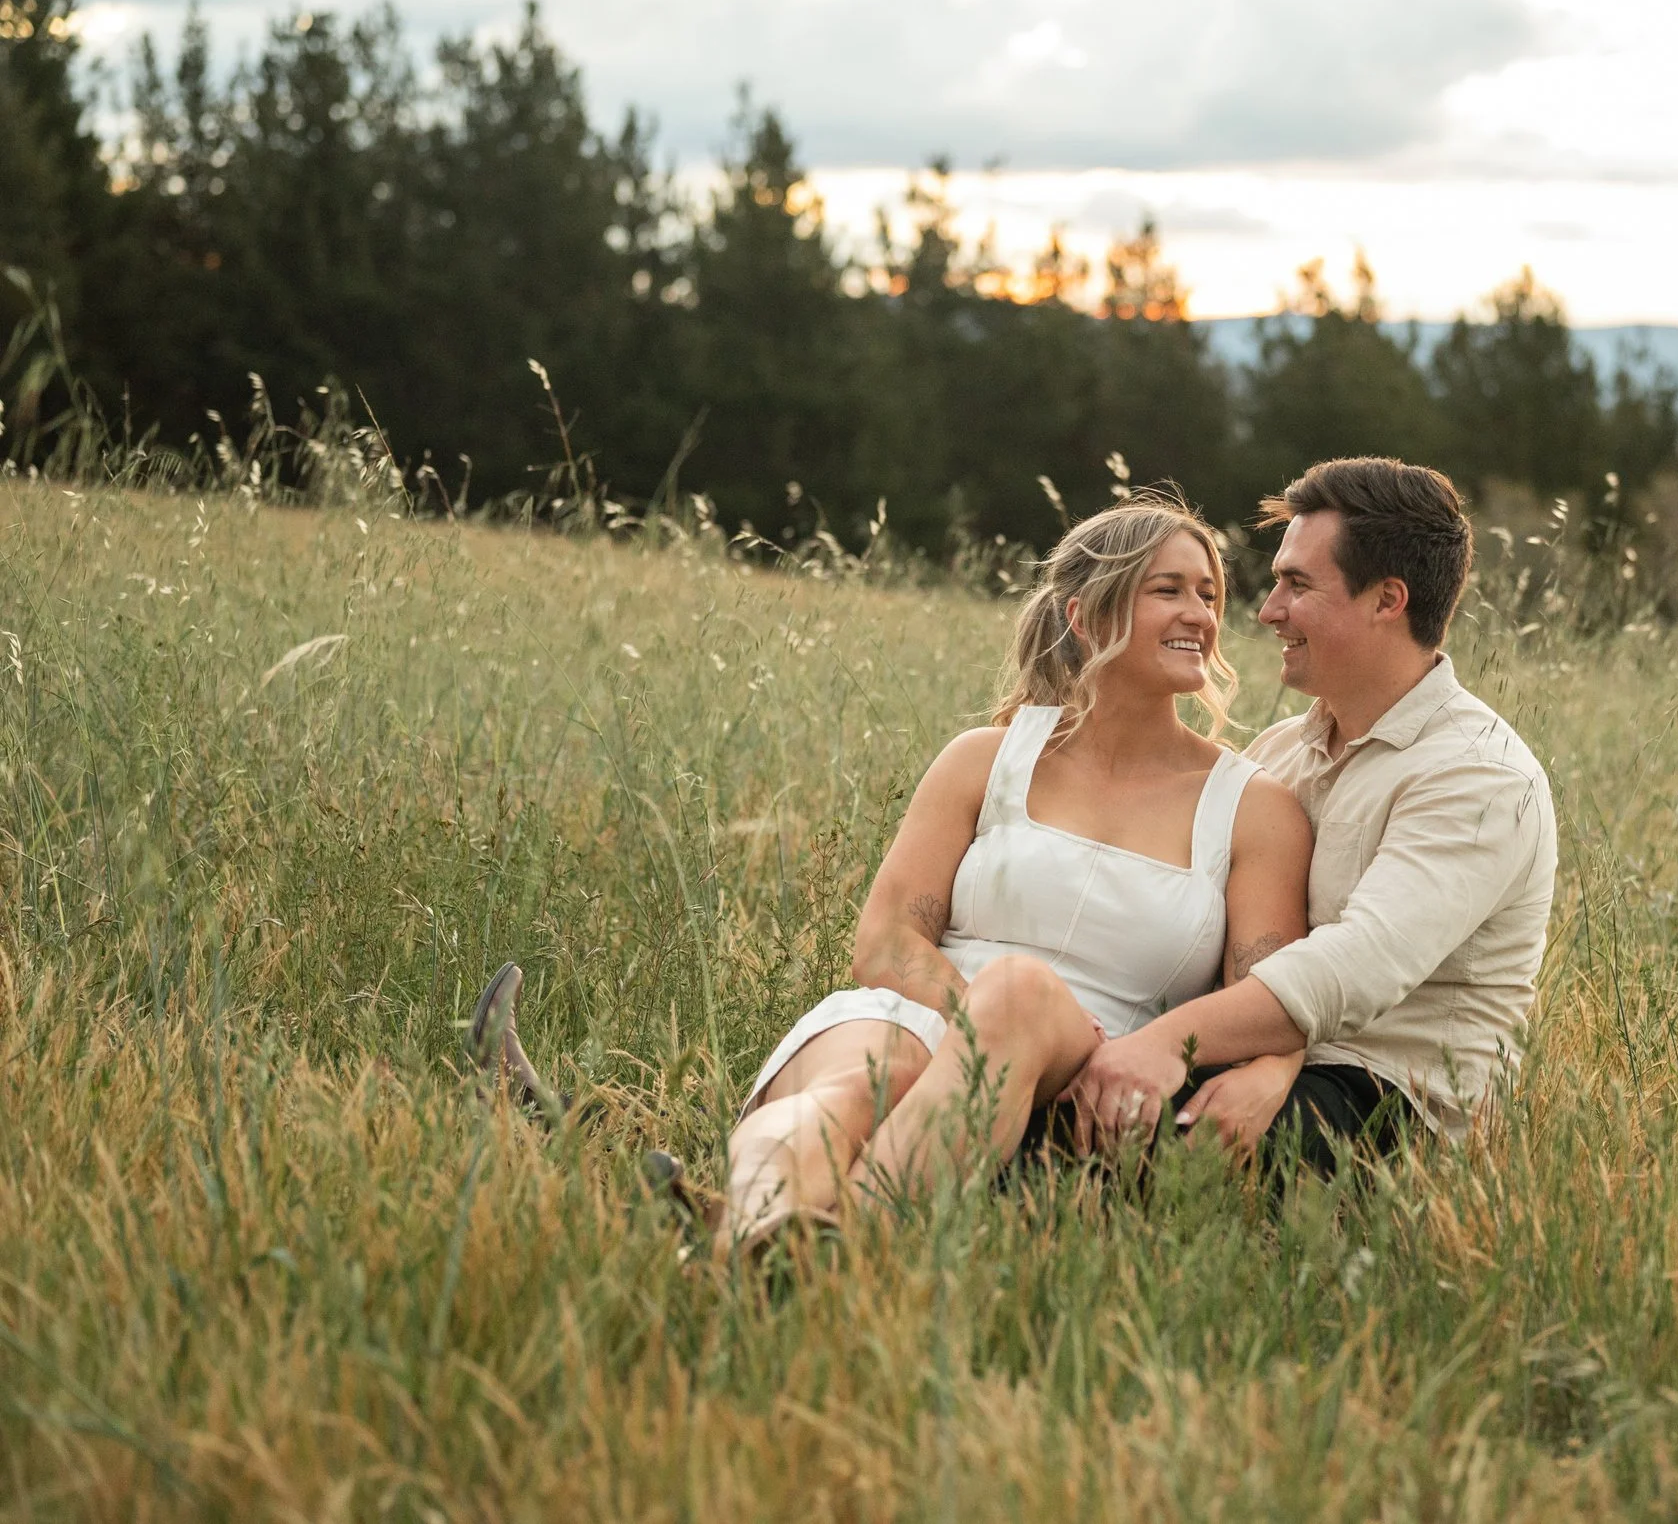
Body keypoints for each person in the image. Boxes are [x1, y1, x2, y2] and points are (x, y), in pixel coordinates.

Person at [472, 494, 1313, 1255]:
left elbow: (1267, 1000)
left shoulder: (1251, 807)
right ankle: (769, 1247)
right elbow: (885, 940)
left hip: (1088, 1052)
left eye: (1209, 593)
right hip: (919, 1008)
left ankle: (764, 1237)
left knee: (1019, 991)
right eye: (1170, 589)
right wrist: (972, 1035)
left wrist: (1268, 1073)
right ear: (1086, 614)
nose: (1201, 614)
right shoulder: (987, 759)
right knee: (851, 1090)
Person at [1064, 457, 1557, 1173]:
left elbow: (1355, 967)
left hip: (1392, 1107)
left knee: (1111, 1153)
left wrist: (1164, 1044)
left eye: (1297, 584)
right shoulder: (1280, 753)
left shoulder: (1480, 774)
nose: (1266, 611)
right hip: (1271, 1062)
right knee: (1051, 1103)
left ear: (1388, 599)